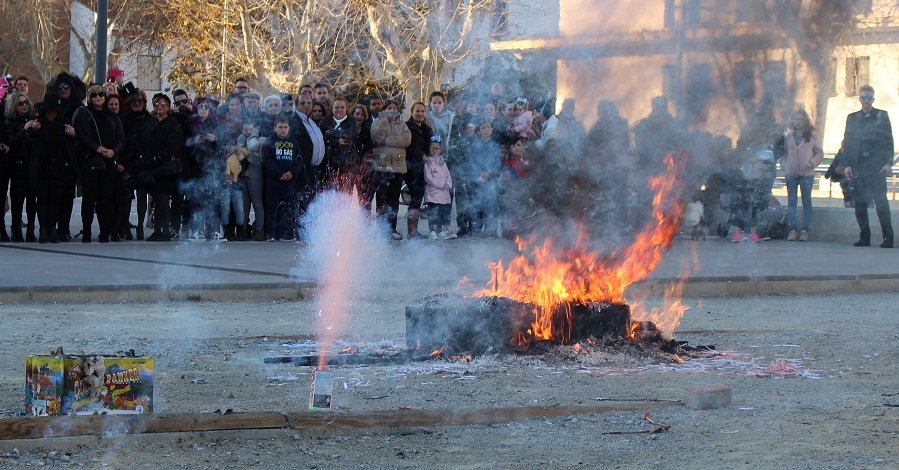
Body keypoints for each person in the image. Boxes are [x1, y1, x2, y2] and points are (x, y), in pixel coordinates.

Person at [842, 84, 894, 248]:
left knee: (881, 202)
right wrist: (848, 164)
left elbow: (888, 141)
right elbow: (848, 142)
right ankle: (865, 237)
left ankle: (888, 238)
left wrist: (887, 163)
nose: (866, 101)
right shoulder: (852, 118)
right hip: (858, 165)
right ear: (859, 99)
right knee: (860, 203)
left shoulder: (881, 116)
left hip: (876, 164)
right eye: (863, 97)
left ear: (873, 99)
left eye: (869, 98)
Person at [72, 84, 124, 243]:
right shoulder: (83, 112)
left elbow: (121, 138)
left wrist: (113, 151)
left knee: (105, 198)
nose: (98, 97)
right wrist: (96, 148)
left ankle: (104, 232)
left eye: (101, 94)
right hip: (90, 160)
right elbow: (79, 133)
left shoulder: (112, 116)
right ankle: (86, 231)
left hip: (108, 161)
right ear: (89, 97)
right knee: (89, 197)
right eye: (94, 95)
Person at [28, 92, 79, 244]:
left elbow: (71, 148)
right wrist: (32, 130)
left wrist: (74, 135)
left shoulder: (63, 126)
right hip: (42, 170)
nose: (51, 114)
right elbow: (29, 143)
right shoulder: (38, 125)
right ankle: (43, 228)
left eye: (54, 111)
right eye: (49, 111)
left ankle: (52, 228)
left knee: (56, 201)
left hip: (59, 170)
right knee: (42, 200)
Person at [139, 93, 184, 242]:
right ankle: (157, 230)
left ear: (168, 107)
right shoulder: (150, 123)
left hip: (166, 168)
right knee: (157, 200)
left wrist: (159, 157)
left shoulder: (172, 123)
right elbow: (144, 141)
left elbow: (174, 145)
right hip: (151, 167)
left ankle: (165, 230)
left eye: (163, 104)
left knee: (164, 199)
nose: (159, 107)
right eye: (156, 104)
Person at [368, 100, 411, 239]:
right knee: (381, 199)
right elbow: (376, 137)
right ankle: (381, 229)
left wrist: (388, 140)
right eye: (389, 108)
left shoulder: (402, 124)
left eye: (394, 108)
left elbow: (406, 140)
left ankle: (392, 229)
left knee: (394, 201)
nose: (392, 110)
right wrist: (385, 123)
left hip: (397, 167)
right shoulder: (378, 122)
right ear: (384, 110)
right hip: (381, 167)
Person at [782, 108, 823, 242]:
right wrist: (785, 166)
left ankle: (805, 230)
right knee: (791, 201)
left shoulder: (812, 135)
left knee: (806, 201)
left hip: (807, 173)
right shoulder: (789, 136)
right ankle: (792, 229)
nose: (797, 122)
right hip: (791, 173)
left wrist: (811, 163)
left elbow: (819, 153)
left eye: (800, 119)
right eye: (795, 119)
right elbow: (784, 153)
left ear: (805, 120)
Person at [261, 117, 304, 242]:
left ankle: (287, 233)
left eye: (285, 127)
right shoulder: (270, 142)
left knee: (288, 206)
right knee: (272, 207)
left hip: (290, 180)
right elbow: (267, 160)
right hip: (274, 181)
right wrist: (279, 173)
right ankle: (272, 233)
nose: (283, 129)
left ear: (289, 128)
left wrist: (292, 172)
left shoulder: (294, 142)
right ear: (275, 128)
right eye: (280, 127)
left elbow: (299, 160)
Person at [1, 91, 36, 242]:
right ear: (14, 106)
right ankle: (16, 229)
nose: (24, 106)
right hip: (17, 165)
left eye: (26, 103)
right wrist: (25, 129)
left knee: (32, 200)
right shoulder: (9, 122)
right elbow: (12, 142)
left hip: (32, 165)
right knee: (17, 200)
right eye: (21, 103)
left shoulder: (33, 120)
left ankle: (31, 230)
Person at [467, 121, 502, 237]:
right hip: (477, 181)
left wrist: (490, 173)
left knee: (491, 206)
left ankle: (491, 230)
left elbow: (497, 163)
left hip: (491, 181)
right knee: (476, 206)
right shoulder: (474, 146)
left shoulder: (496, 147)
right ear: (479, 131)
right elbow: (471, 162)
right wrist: (479, 173)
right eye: (483, 128)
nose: (486, 130)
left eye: (488, 128)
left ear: (492, 130)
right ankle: (476, 230)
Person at [405, 102, 433, 239]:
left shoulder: (426, 128)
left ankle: (414, 229)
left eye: (422, 111)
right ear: (412, 112)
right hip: (411, 167)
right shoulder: (407, 127)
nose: (420, 113)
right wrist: (420, 155)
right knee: (415, 198)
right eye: (417, 111)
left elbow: (433, 141)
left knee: (419, 198)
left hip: (424, 167)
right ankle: (411, 231)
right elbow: (407, 146)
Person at [423, 137, 456, 240]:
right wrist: (441, 185)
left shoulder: (443, 163)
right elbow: (428, 178)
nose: (434, 151)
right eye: (432, 148)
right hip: (433, 192)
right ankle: (432, 231)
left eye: (436, 148)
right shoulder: (428, 163)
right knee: (433, 213)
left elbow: (448, 176)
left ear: (440, 149)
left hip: (444, 193)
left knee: (443, 212)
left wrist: (448, 184)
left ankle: (441, 231)